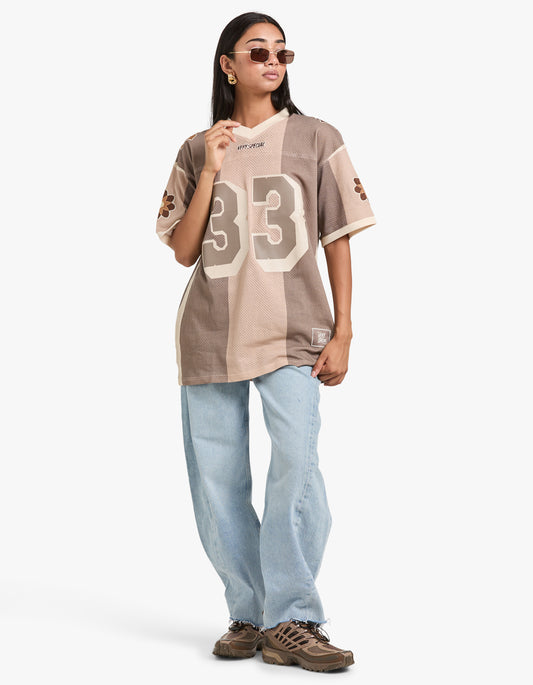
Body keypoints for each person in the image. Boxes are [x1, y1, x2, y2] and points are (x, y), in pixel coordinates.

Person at [156, 11, 377, 672]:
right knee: (216, 481)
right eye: (257, 52)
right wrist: (211, 166)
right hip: (210, 331)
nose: (273, 61)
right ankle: (250, 613)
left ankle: (293, 616)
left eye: (282, 52)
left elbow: (337, 236)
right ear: (227, 65)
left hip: (294, 332)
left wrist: (343, 329)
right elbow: (184, 250)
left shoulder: (317, 137)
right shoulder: (196, 147)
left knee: (296, 468)